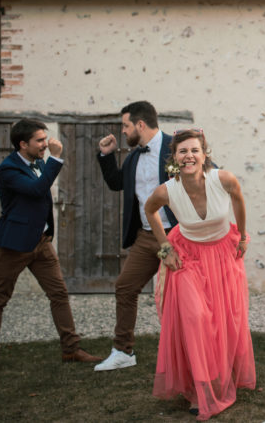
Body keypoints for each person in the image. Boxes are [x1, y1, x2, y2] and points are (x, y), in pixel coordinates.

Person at [143, 128, 254, 420]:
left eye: (194, 150)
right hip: (187, 257)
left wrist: (242, 236)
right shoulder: (167, 190)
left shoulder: (223, 179)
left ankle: (219, 376)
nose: (189, 156)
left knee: (222, 319)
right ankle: (198, 389)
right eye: (182, 151)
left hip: (221, 254)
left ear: (204, 155)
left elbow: (239, 201)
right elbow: (150, 210)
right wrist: (165, 249)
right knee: (196, 318)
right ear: (175, 158)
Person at [0, 119, 101, 373]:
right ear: (23, 144)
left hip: (42, 243)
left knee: (59, 294)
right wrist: (56, 159)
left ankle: (71, 349)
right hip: (14, 246)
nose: (46, 144)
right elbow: (36, 190)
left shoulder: (37, 164)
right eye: (40, 140)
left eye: (46, 139)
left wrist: (10, 212)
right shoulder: (8, 169)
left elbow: (28, 199)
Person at [94, 101, 177, 372]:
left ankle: (191, 350)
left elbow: (207, 174)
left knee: (185, 297)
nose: (122, 131)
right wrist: (106, 155)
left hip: (177, 236)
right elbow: (117, 183)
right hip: (145, 237)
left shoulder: (177, 147)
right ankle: (123, 351)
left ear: (140, 125)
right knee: (125, 287)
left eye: (125, 125)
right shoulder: (133, 157)